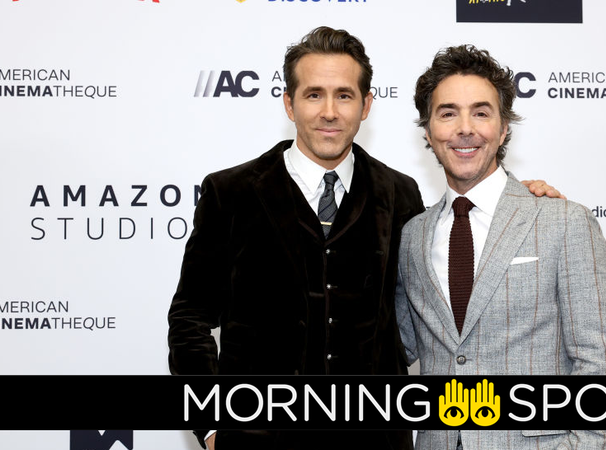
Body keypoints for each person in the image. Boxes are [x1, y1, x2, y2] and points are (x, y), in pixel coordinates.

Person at [168, 27, 560, 450]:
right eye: (314, 94)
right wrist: (212, 428)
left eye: (344, 95)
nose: (330, 112)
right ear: (289, 103)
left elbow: (445, 281)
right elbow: (190, 320)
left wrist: (518, 200)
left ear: (366, 104)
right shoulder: (232, 193)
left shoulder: (399, 193)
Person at [395, 45, 606, 450]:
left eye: (481, 113)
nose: (466, 128)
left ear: (503, 129)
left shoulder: (563, 220)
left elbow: (597, 360)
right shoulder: (413, 234)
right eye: (448, 113)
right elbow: (396, 346)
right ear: (428, 132)